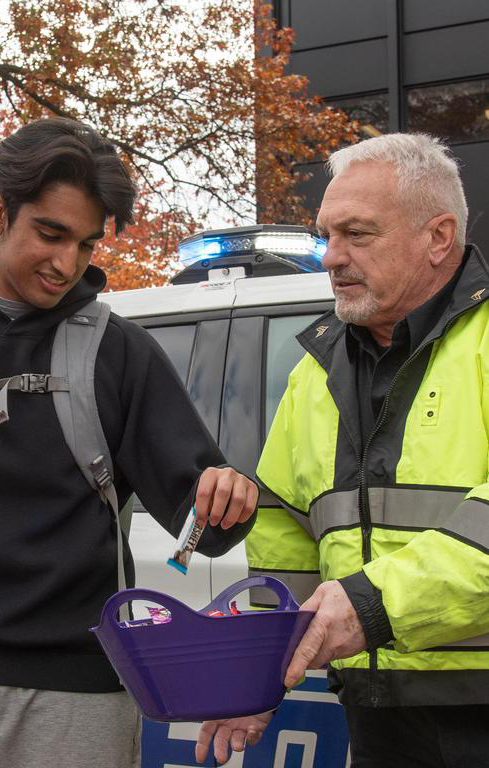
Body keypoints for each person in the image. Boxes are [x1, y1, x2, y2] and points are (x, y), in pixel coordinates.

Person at [196, 133, 489, 767]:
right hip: (375, 709)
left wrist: (371, 604)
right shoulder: (315, 371)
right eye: (327, 235)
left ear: (439, 237)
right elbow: (284, 541)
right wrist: (262, 678)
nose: (330, 258)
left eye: (356, 234)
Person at [0, 117, 258, 768]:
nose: (66, 265)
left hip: (73, 700)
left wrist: (227, 496)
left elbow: (205, 526)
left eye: (84, 245)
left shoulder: (117, 353)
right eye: (50, 235)